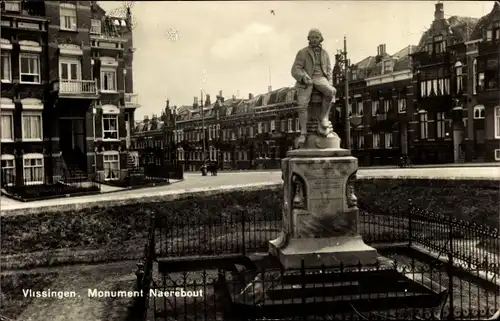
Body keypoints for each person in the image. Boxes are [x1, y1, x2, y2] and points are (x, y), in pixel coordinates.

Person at [291, 28, 337, 144]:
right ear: (308, 39)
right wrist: (303, 77)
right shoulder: (302, 52)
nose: (314, 40)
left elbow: (329, 70)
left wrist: (329, 83)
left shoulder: (325, 53)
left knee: (331, 92)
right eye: (312, 37)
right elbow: (295, 69)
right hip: (307, 80)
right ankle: (303, 133)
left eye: (316, 37)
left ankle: (323, 118)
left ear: (320, 39)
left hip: (321, 78)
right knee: (302, 105)